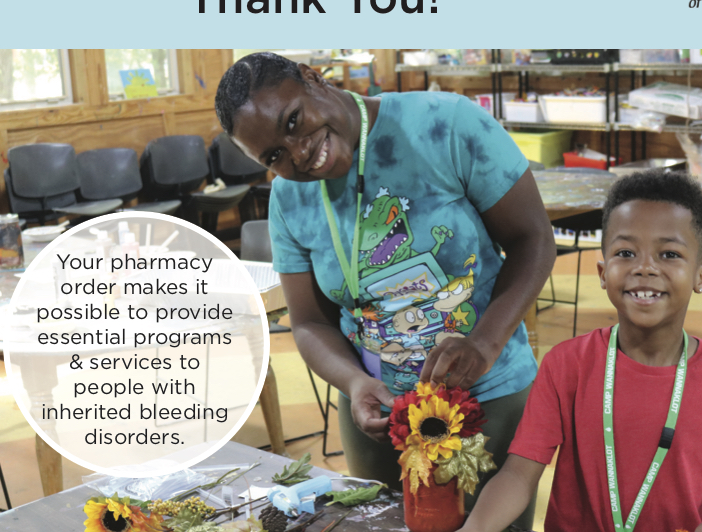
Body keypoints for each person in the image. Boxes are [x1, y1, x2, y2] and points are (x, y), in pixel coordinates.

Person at [214, 52, 556, 528]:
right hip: (379, 418)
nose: (298, 154)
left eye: (293, 122)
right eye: (273, 157)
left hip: (488, 397)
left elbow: (533, 240)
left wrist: (484, 344)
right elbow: (309, 323)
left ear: (313, 79)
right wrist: (354, 383)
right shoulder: (290, 200)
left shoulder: (445, 125)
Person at [459, 170, 702, 532]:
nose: (645, 268)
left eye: (669, 254)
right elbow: (518, 473)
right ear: (603, 272)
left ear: (701, 276)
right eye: (626, 253)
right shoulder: (567, 365)